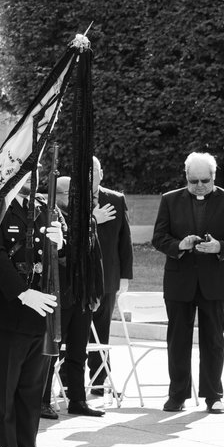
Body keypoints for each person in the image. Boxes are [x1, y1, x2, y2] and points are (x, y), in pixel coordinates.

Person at [0, 183, 62, 447]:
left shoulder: (43, 208)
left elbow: (59, 255)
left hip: (39, 312)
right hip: (4, 310)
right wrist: (22, 292)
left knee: (31, 390)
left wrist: (63, 242)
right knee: (2, 390)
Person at [152, 152, 224, 413]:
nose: (199, 186)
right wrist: (178, 245)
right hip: (180, 280)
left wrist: (220, 246)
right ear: (186, 177)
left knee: (213, 339)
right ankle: (177, 395)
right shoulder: (170, 200)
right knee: (178, 340)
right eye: (193, 181)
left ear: (214, 176)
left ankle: (213, 395)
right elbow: (158, 238)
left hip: (215, 281)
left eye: (204, 180)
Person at [39, 176, 105, 419]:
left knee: (79, 351)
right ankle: (43, 400)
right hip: (59, 294)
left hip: (81, 295)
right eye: (69, 194)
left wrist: (96, 291)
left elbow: (95, 257)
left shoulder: (88, 219)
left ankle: (77, 399)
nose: (75, 199)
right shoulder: (49, 217)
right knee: (52, 350)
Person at [89, 156, 133, 393]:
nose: (89, 175)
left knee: (102, 328)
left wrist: (124, 276)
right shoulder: (69, 198)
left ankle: (99, 380)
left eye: (93, 170)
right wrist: (92, 220)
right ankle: (68, 379)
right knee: (76, 330)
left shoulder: (115, 199)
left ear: (101, 173)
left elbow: (124, 241)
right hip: (80, 276)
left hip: (108, 277)